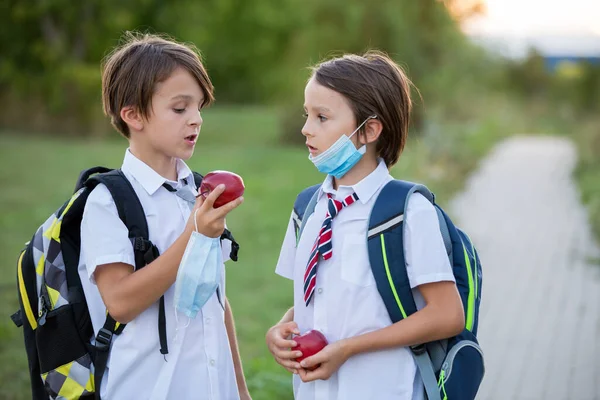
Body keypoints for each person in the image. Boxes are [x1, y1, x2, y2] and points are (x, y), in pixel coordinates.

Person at [266, 51, 465, 400]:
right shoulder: (309, 208)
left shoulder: (408, 212)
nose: (306, 128)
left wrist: (349, 348)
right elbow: (322, 296)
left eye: (322, 117)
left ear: (369, 130)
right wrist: (283, 327)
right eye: (306, 114)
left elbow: (447, 315)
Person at [78, 32, 250, 399]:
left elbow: (217, 300)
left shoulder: (200, 192)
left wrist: (240, 391)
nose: (196, 120)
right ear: (133, 115)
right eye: (180, 108)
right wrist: (196, 235)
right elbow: (121, 303)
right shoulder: (108, 201)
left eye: (199, 107)